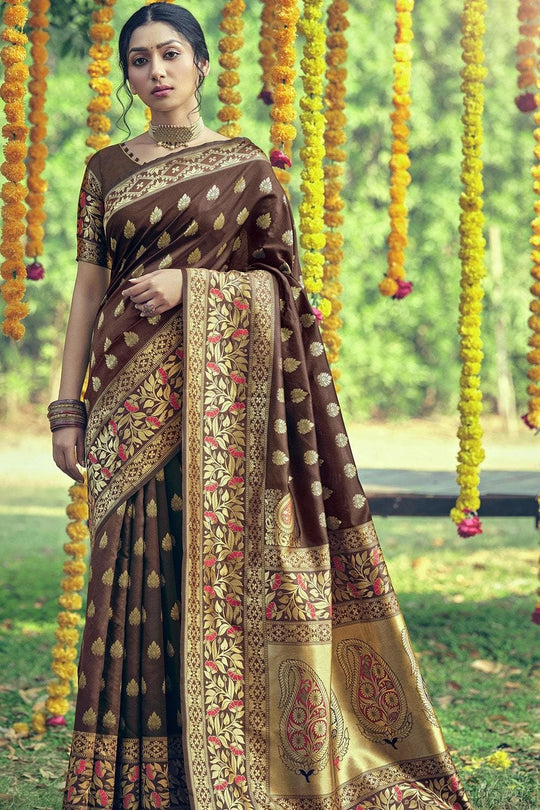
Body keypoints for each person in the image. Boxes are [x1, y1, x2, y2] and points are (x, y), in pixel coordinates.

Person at [50, 4, 472, 808]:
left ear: (202, 64)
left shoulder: (245, 167)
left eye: (170, 54)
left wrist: (190, 286)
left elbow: (285, 287)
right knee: (132, 580)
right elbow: (88, 291)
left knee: (215, 576)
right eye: (138, 61)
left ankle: (228, 765)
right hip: (123, 399)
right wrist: (65, 406)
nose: (156, 73)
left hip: (227, 412)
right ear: (128, 75)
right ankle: (135, 780)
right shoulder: (106, 169)